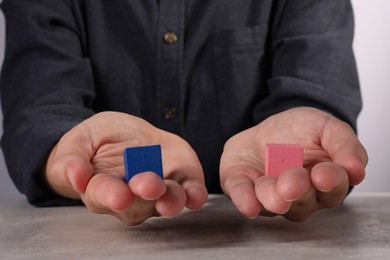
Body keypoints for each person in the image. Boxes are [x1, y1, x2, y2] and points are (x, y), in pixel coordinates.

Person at [0, 0, 368, 225]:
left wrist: (311, 127)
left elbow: (316, 89)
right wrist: (68, 158)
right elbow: (38, 109)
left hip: (264, 232)